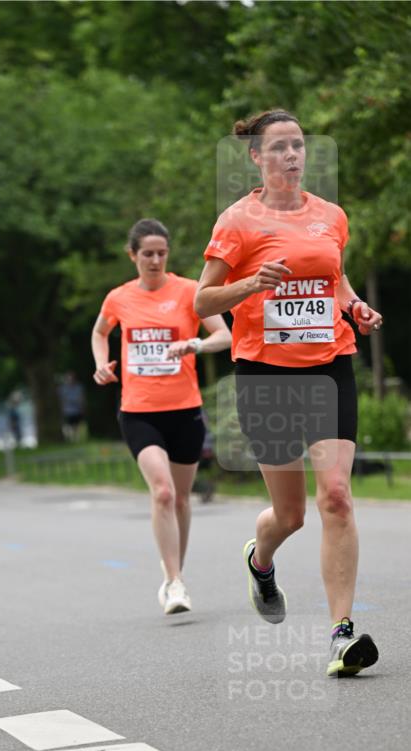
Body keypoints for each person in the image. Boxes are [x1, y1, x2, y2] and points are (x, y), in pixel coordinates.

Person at [195, 108, 383, 676]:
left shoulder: (331, 216)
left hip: (329, 367)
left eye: (298, 145)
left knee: (336, 498)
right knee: (291, 514)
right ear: (255, 157)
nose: (292, 156)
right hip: (266, 375)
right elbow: (203, 301)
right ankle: (261, 558)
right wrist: (252, 283)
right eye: (278, 147)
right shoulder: (237, 221)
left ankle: (341, 635)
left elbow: (335, 277)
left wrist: (352, 306)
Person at [91, 218, 231, 614]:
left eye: (161, 253)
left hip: (184, 409)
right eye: (147, 254)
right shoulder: (118, 298)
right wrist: (102, 364)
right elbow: (100, 332)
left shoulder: (189, 291)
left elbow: (226, 336)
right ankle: (174, 582)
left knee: (182, 499)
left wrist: (195, 345)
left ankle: (174, 574)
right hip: (139, 411)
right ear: (132, 255)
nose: (155, 260)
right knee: (164, 492)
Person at [58, 372, 87, 443]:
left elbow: (82, 398)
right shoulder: (62, 389)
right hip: (67, 411)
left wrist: (83, 407)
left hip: (77, 410)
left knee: (77, 426)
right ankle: (70, 439)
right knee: (68, 426)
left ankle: (76, 440)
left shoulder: (79, 387)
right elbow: (60, 400)